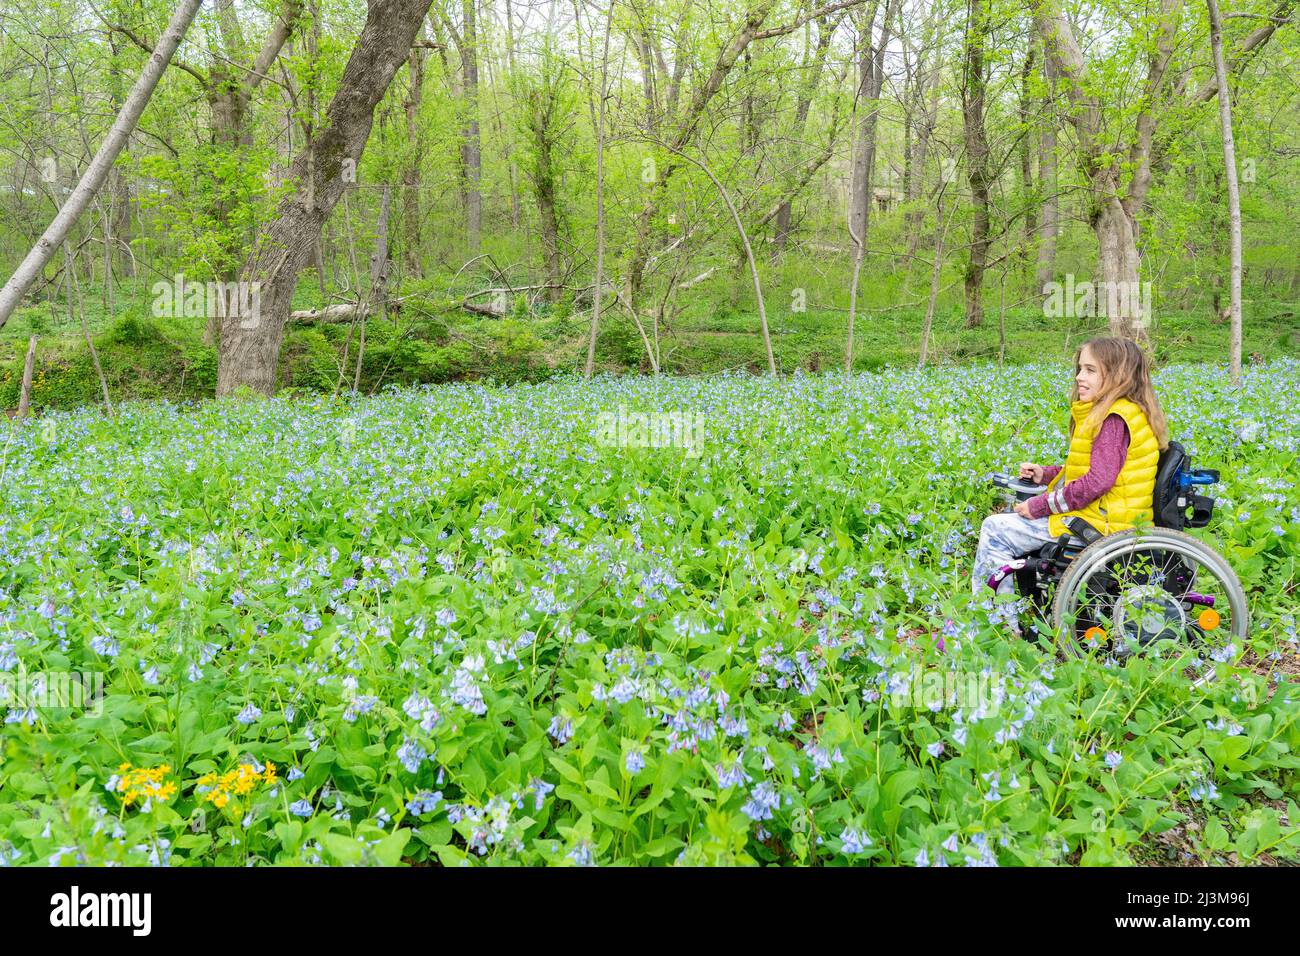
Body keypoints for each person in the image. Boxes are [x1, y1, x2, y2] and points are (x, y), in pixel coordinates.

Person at [971, 336, 1170, 604]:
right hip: (1106, 517)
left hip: (1102, 526)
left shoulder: (1113, 419)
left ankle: (995, 619)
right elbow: (1102, 469)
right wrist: (1047, 474)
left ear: (1117, 376)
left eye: (1090, 370)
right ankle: (1006, 607)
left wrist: (1041, 505)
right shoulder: (1124, 412)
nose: (1079, 377)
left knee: (995, 529)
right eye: (1079, 369)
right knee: (1010, 516)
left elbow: (1097, 482)